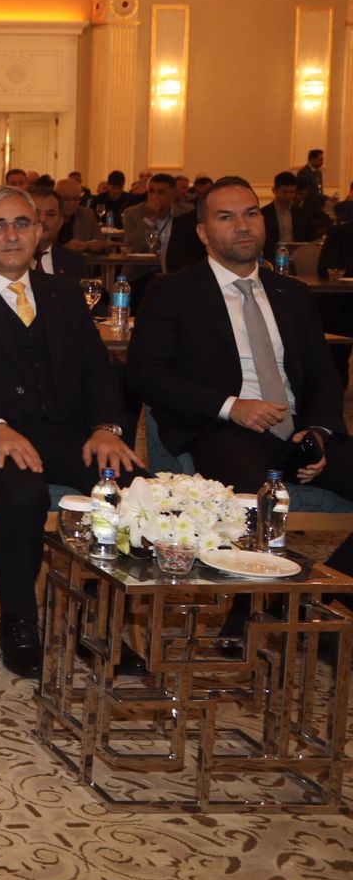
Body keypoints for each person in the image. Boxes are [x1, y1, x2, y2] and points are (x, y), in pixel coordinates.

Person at [0, 186, 140, 678]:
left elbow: (96, 368)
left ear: (40, 232)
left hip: (62, 430)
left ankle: (96, 619)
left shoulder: (63, 292)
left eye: (22, 223)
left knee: (126, 487)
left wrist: (106, 427)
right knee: (24, 492)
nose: (11, 235)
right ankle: (19, 621)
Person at [127, 177, 353, 587]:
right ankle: (252, 612)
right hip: (221, 428)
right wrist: (232, 406)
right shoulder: (172, 292)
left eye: (251, 214)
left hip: (298, 431)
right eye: (226, 217)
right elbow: (146, 375)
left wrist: (318, 431)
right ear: (203, 232)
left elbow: (325, 375)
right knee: (253, 505)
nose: (243, 226)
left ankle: (329, 594)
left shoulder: (293, 294)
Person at [122, 172, 190, 273]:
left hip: (178, 271)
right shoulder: (132, 213)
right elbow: (131, 246)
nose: (154, 196)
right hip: (141, 272)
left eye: (161, 192)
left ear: (173, 195)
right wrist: (149, 220)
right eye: (151, 191)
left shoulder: (186, 211)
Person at [29, 187, 88, 281]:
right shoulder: (9, 259)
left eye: (50, 214)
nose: (42, 219)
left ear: (60, 223)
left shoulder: (74, 261)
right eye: (36, 213)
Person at [262, 170, 318, 251]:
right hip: (273, 256)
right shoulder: (264, 214)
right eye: (285, 192)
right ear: (275, 191)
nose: (289, 196)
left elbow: (313, 241)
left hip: (298, 255)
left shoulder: (304, 214)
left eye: (292, 192)